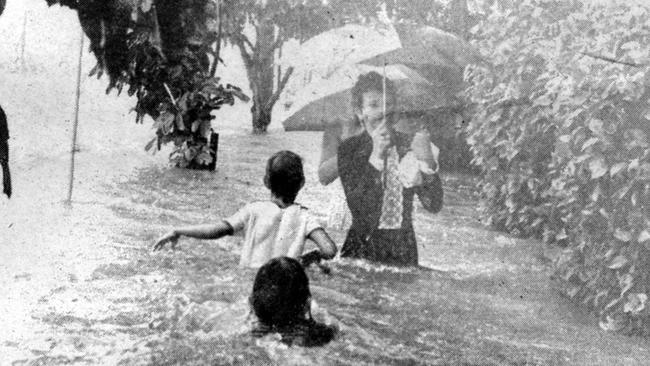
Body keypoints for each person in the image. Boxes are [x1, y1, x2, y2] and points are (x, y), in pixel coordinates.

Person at [153, 150, 338, 268]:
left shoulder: (253, 210)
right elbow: (329, 250)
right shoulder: (305, 216)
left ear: (266, 182)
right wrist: (308, 259)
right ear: (302, 183)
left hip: (250, 280)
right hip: (285, 283)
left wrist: (178, 230)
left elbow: (218, 229)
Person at [337, 72, 444, 266]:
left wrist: (428, 163)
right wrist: (376, 155)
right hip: (361, 252)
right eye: (373, 105)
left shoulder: (408, 145)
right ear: (360, 111)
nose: (381, 112)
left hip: (402, 252)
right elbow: (360, 211)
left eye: (387, 105)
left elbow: (433, 205)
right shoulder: (349, 149)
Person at [249, 256, 336, 346]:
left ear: (252, 302)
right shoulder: (322, 336)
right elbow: (336, 329)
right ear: (306, 304)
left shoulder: (247, 337)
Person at [317, 117, 363, 230]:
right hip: (346, 202)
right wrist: (350, 146)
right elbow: (324, 177)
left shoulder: (396, 124)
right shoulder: (339, 126)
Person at [0, 105, 11, 199]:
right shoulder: (1, 111)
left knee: (4, 165)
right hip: (2, 142)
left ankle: (7, 191)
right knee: (4, 165)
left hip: (2, 142)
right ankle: (7, 191)